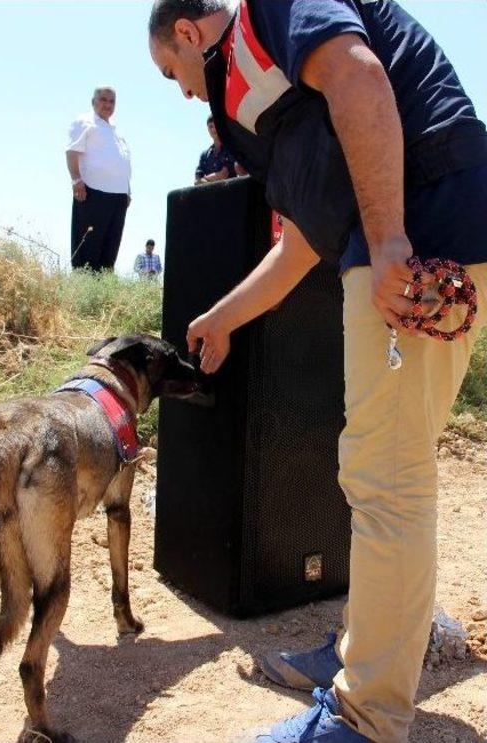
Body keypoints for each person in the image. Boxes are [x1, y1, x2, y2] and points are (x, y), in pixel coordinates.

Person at [148, 1, 487, 742]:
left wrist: (393, 236)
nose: (179, 91)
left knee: (386, 475)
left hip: (421, 225)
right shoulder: (267, 106)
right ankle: (357, 650)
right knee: (377, 468)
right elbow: (299, 244)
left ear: (187, 32)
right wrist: (223, 319)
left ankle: (366, 717)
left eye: (169, 72)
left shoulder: (271, 11)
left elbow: (361, 77)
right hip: (397, 231)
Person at [66, 86, 131, 271]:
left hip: (118, 197)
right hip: (92, 193)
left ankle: (103, 293)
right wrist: (76, 180)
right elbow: (72, 151)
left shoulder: (115, 132)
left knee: (109, 250)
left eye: (112, 101)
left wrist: (127, 191)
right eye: (103, 99)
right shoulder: (85, 122)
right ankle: (84, 289)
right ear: (93, 102)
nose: (108, 104)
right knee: (88, 249)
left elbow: (123, 162)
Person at [195, 114, 237, 185]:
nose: (214, 129)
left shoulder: (230, 148)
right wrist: (203, 181)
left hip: (229, 193)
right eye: (211, 126)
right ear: (208, 130)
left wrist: (204, 180)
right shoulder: (204, 155)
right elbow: (197, 181)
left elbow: (223, 175)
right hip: (210, 195)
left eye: (216, 125)